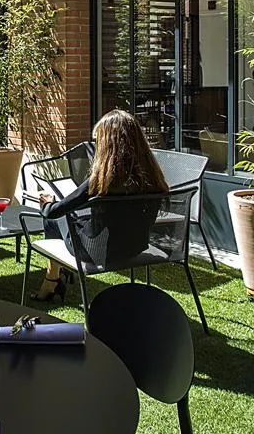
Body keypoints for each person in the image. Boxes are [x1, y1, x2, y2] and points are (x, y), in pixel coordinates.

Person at [33, 108, 169, 301]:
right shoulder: (153, 178)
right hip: (134, 246)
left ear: (108, 145)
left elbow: (54, 212)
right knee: (78, 216)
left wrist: (47, 203)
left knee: (55, 217)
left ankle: (52, 280)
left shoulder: (101, 180)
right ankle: (55, 279)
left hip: (94, 251)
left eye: (98, 142)